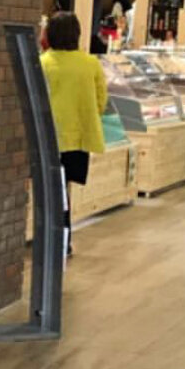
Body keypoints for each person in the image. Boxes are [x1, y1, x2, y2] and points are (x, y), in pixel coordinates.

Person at [40, 13, 108, 252]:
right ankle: (63, 240)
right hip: (78, 138)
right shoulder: (90, 63)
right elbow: (101, 101)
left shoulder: (43, 63)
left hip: (49, 138)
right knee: (64, 189)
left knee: (50, 190)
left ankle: (54, 241)